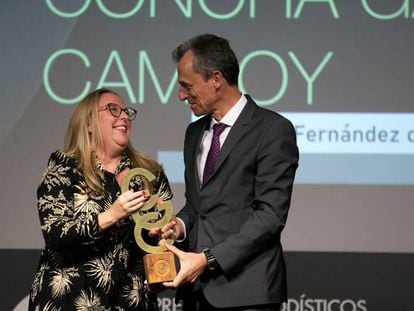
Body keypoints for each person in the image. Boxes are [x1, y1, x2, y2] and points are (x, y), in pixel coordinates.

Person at [162, 34, 299, 310]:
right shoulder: (194, 133)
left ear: (216, 79)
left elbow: (270, 217)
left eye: (187, 86)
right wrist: (178, 225)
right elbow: (197, 206)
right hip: (196, 292)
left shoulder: (272, 130)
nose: (180, 95)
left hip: (247, 292)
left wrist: (207, 259)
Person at [29, 88, 173, 310]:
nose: (124, 117)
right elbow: (55, 234)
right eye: (113, 110)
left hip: (129, 301)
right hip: (69, 299)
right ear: (88, 123)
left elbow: (158, 242)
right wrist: (112, 215)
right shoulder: (65, 166)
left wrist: (162, 242)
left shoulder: (149, 173)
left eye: (126, 112)